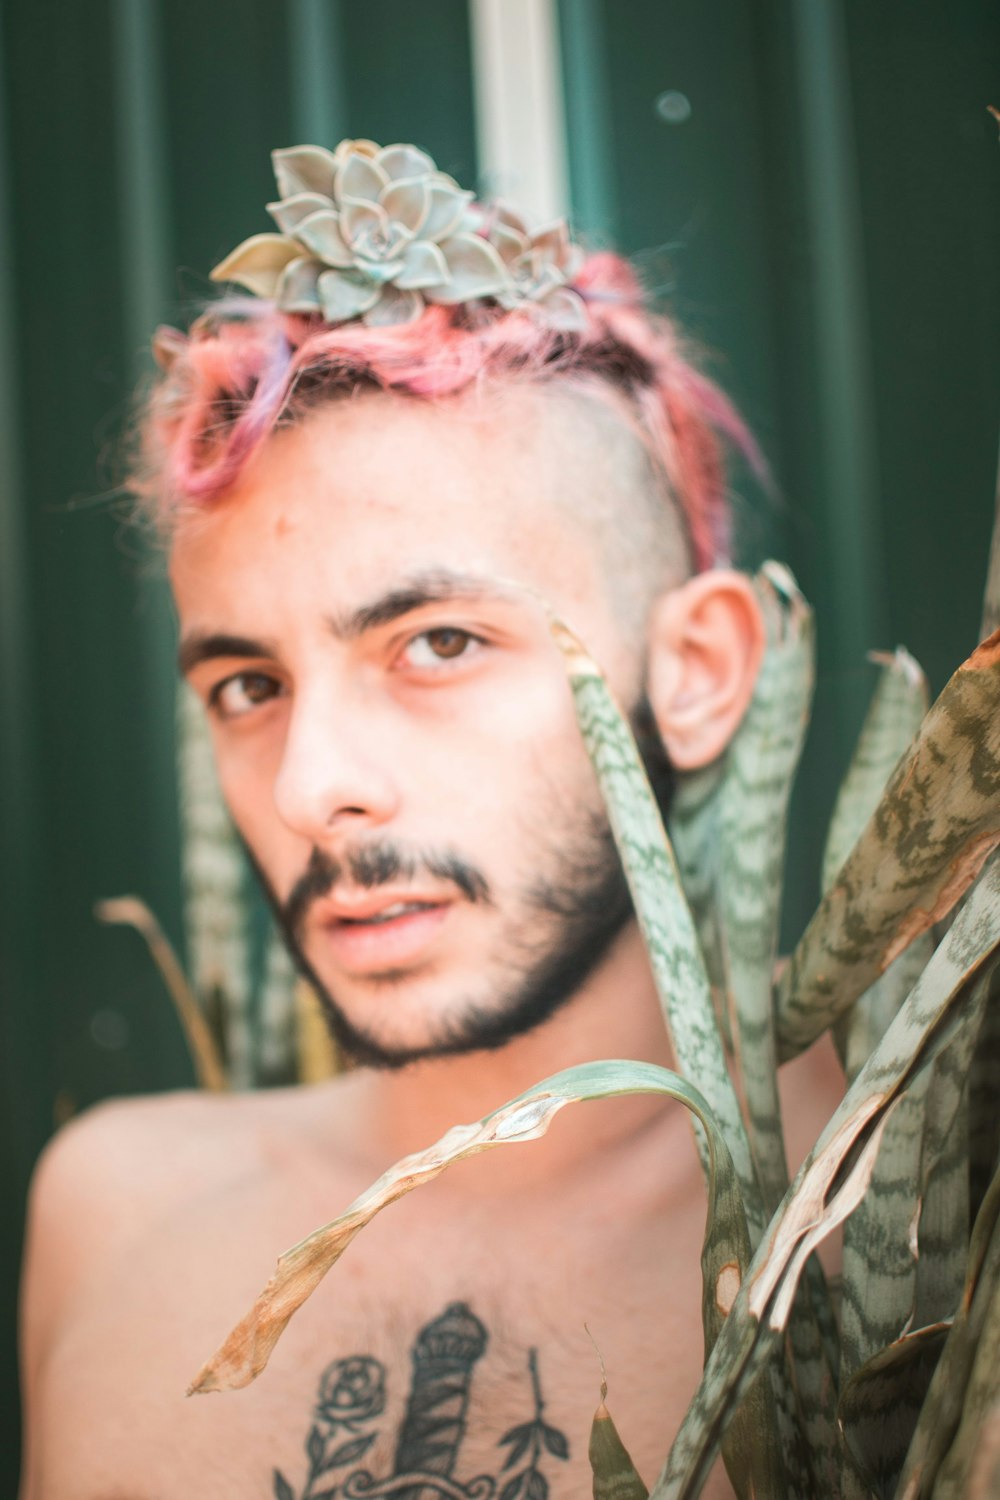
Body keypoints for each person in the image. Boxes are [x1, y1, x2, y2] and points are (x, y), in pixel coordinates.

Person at [18, 138, 842, 1500]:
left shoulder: (926, 1235)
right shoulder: (113, 1215)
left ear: (697, 673)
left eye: (439, 643)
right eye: (246, 683)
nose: (309, 788)